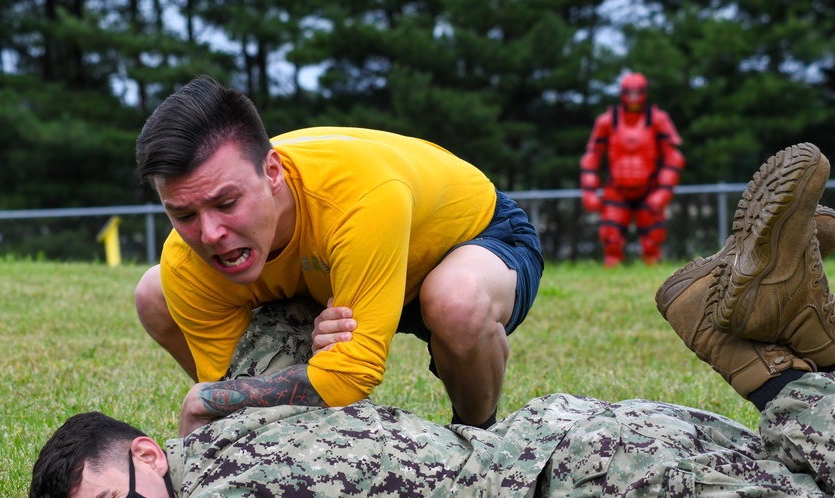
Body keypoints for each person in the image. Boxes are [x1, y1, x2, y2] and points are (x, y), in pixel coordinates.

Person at [30, 142, 835, 498]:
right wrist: (218, 388)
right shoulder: (250, 391)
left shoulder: (210, 491)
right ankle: (819, 334)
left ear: (149, 452)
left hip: (597, 492)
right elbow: (269, 304)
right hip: (585, 449)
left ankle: (766, 348)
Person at [132, 76, 544, 434]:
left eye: (227, 203)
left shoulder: (359, 198)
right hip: (333, 274)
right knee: (156, 292)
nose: (210, 235)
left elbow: (351, 376)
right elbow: (235, 386)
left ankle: (478, 435)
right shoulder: (187, 259)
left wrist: (212, 400)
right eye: (183, 214)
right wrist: (233, 394)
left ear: (272, 173)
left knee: (455, 301)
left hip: (465, 238)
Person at [580, 71, 685, 266]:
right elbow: (591, 157)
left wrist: (663, 192)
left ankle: (655, 283)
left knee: (653, 242)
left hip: (649, 189)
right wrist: (589, 191)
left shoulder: (657, 119)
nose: (634, 98)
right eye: (630, 93)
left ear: (644, 93)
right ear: (622, 93)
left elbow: (674, 158)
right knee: (611, 239)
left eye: (638, 93)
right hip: (617, 190)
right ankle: (610, 282)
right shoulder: (607, 121)